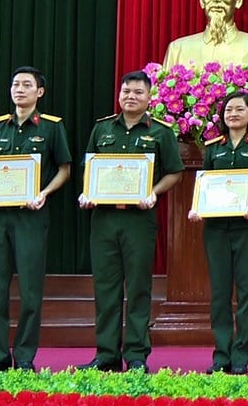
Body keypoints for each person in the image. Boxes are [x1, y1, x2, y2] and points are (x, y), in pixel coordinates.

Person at [76, 70, 185, 373]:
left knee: (138, 287)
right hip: (104, 220)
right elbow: (90, 166)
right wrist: (88, 192)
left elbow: (174, 172)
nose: (130, 97)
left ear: (149, 98)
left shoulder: (161, 132)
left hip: (139, 219)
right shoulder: (102, 129)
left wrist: (153, 192)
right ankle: (106, 354)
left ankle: (136, 354)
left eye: (138, 92)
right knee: (106, 288)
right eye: (126, 91)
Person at [0, 66, 73, 371]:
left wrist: (44, 193)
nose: (20, 89)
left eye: (27, 85)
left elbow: (65, 169)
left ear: (40, 92)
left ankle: (24, 357)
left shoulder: (52, 128)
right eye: (15, 84)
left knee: (30, 292)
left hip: (31, 216)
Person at [187, 91, 248, 375]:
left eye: (239, 109)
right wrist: (197, 208)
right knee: (220, 293)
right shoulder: (214, 148)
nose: (233, 114)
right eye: (228, 110)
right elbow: (205, 186)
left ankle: (241, 357)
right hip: (216, 228)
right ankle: (221, 355)